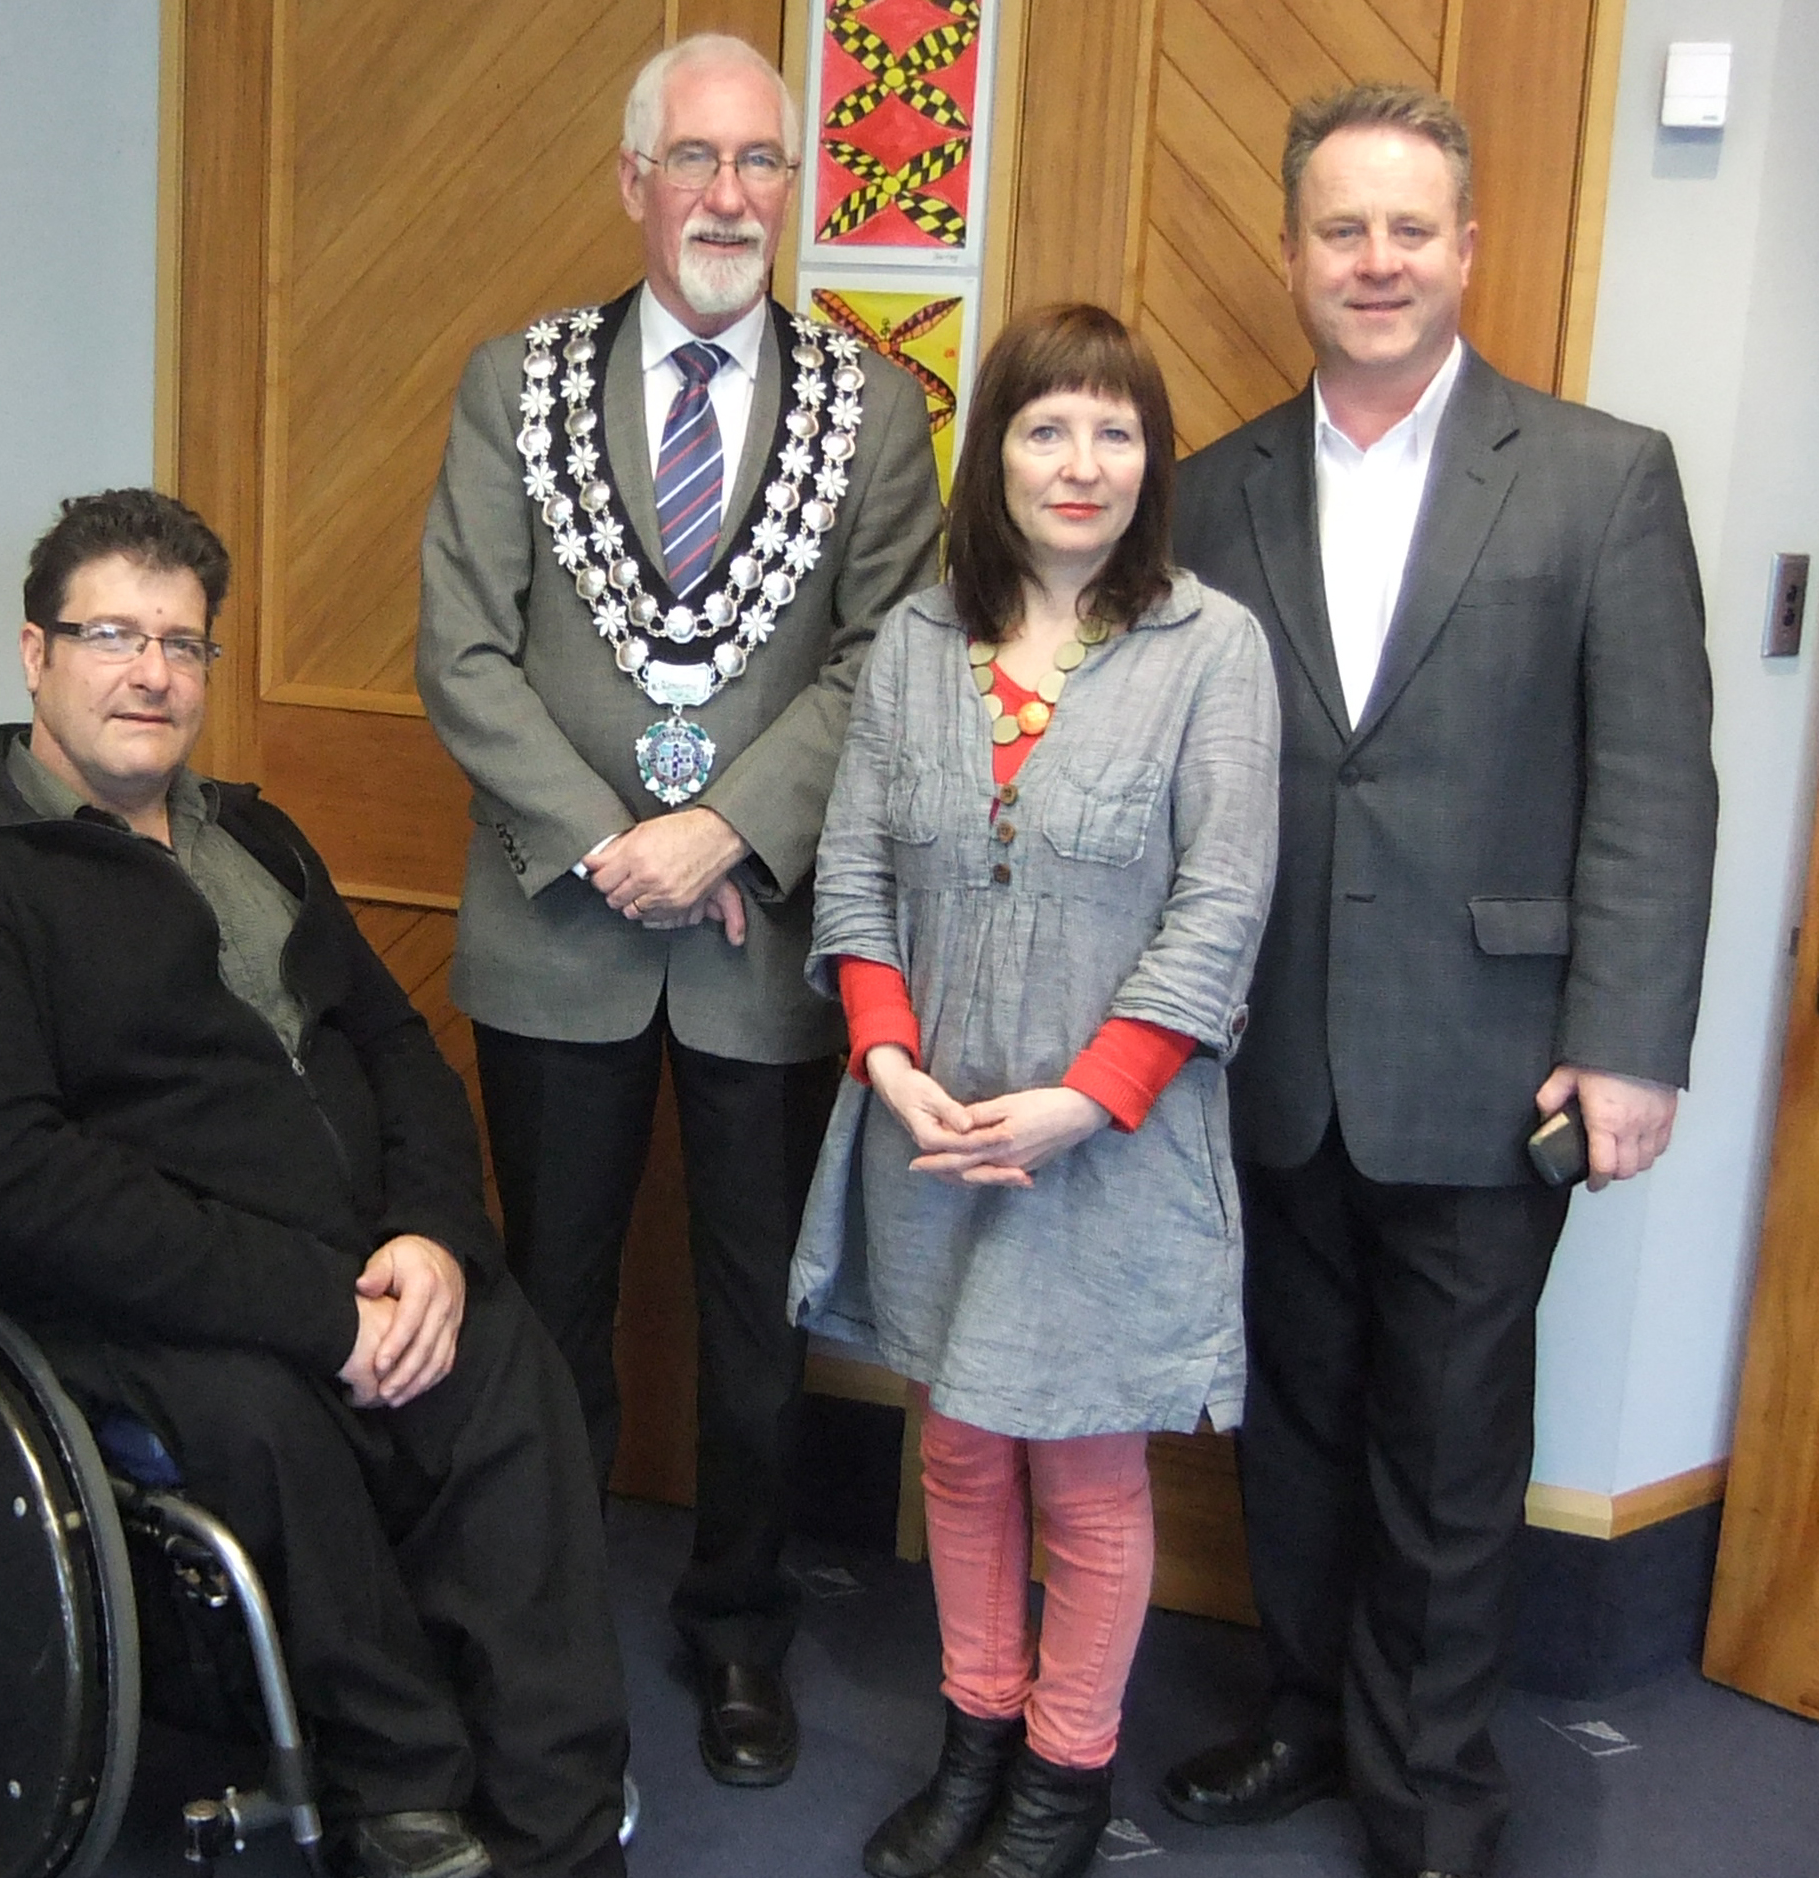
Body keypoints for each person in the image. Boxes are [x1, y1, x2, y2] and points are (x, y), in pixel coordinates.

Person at [0, 489, 630, 1878]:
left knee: (508, 1356)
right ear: (36, 652)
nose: (152, 671)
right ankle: (399, 1791)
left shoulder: (259, 843)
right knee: (261, 1411)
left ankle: (563, 1819)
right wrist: (317, 1308)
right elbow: (15, 1183)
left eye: (184, 643)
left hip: (353, 1262)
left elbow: (396, 1049)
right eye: (112, 634)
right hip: (111, 1300)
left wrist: (434, 1242)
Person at [1156, 85, 1717, 1878]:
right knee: (1299, 1424)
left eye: (1411, 229)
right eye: (1342, 229)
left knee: (1454, 1454)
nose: (1376, 260)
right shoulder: (1212, 489)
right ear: (1292, 253)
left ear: (1468, 250)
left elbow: (1650, 784)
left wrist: (1624, 1046)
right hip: (1267, 1059)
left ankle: (1433, 1790)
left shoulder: (1597, 474)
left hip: (1493, 1069)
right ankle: (1309, 1717)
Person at [414, 33, 943, 1788]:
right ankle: (542, 1628)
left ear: (795, 186)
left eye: (764, 165)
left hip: (762, 951)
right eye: (696, 161)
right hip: (557, 933)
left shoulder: (869, 407)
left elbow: (892, 656)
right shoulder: (517, 381)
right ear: (634, 179)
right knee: (547, 1306)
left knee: (750, 1326)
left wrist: (722, 827)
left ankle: (737, 1633)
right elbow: (463, 650)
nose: (732, 197)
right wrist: (604, 835)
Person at [790, 303, 1282, 1878]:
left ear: (1153, 460)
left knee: (1078, 1459)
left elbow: (1223, 906)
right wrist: (886, 1064)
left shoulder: (1212, 650)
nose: (1081, 464)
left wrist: (1087, 1096)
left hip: (1104, 1145)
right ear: (988, 448)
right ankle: (974, 1736)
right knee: (954, 1448)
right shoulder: (919, 645)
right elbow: (854, 869)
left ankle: (1064, 1780)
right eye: (1045, 427)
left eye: (1115, 430)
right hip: (929, 1130)